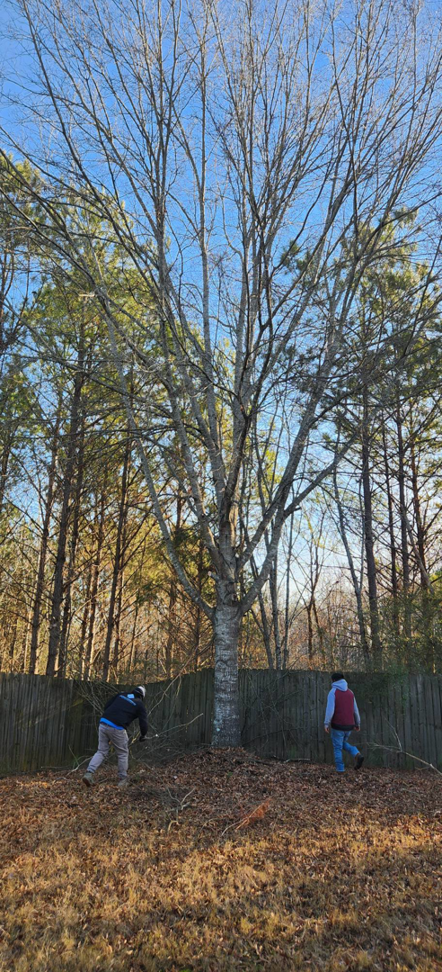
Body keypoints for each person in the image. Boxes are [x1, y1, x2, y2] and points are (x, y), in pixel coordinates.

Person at [83, 685, 148, 788]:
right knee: (122, 753)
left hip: (103, 723)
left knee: (101, 751)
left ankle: (89, 773)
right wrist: (143, 735)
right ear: (142, 696)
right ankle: (123, 779)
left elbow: (107, 706)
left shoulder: (122, 694)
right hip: (117, 727)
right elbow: (143, 723)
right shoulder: (139, 704)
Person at [324, 672, 364, 773]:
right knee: (341, 743)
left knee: (337, 747)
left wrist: (326, 723)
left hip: (338, 725)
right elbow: (355, 710)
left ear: (333, 680)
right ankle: (356, 753)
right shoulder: (350, 693)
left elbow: (330, 710)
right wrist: (357, 723)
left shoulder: (333, 692)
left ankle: (340, 769)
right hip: (349, 726)